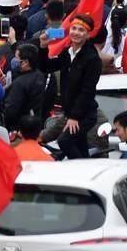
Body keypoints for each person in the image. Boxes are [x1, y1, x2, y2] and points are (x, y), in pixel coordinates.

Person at [34, 13, 101, 159]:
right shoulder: (67, 52)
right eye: (74, 28)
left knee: (65, 142)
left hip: (84, 115)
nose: (76, 33)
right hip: (69, 112)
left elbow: (87, 91)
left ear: (88, 34)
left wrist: (75, 117)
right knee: (81, 150)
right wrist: (43, 47)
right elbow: (46, 67)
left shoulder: (92, 58)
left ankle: (79, 172)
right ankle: (86, 173)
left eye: (81, 30)